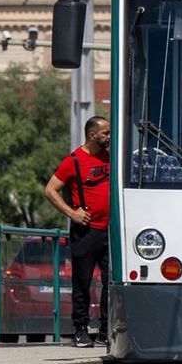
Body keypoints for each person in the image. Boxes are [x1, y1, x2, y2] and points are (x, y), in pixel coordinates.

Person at [44, 116, 112, 348]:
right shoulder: (73, 160)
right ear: (93, 135)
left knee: (111, 282)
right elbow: (50, 190)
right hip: (86, 232)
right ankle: (80, 331)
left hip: (109, 231)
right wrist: (72, 213)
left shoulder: (111, 156)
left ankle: (105, 330)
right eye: (105, 133)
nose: (109, 137)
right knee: (81, 283)